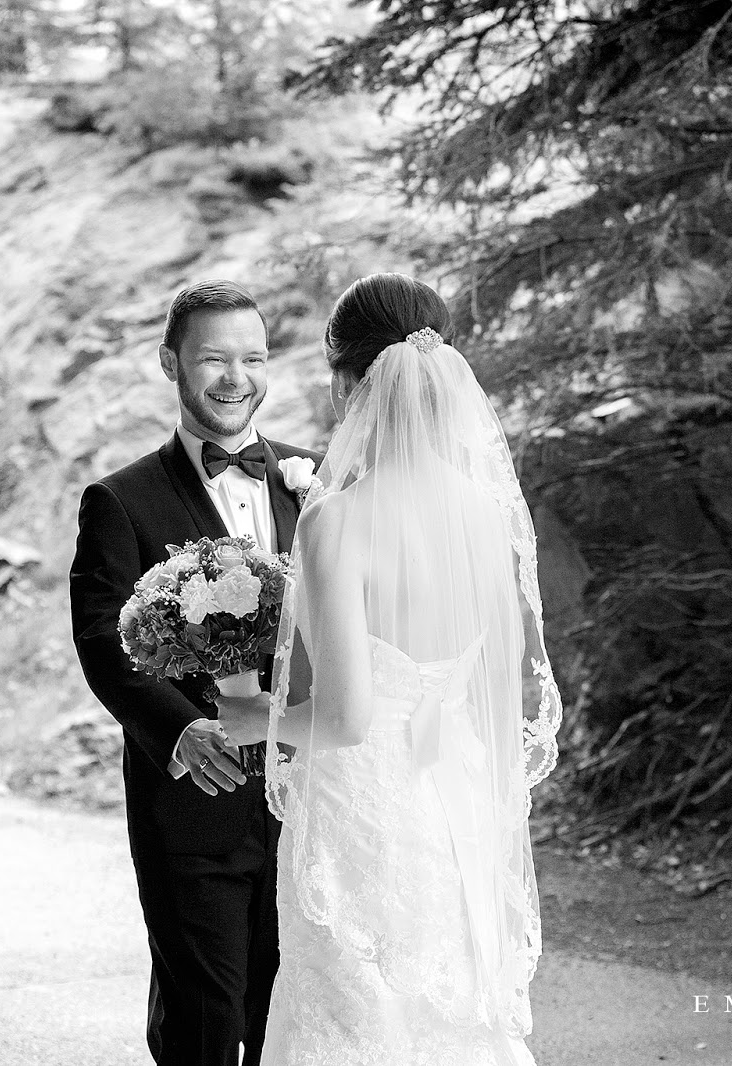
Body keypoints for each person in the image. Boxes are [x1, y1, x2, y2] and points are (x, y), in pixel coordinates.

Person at [218, 272, 563, 1065]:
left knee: (355, 1011)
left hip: (361, 810)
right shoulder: (484, 513)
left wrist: (249, 717)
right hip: (452, 795)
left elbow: (345, 720)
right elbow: (485, 685)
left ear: (347, 384)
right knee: (448, 1013)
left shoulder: (338, 520)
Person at [69, 279, 321, 1066]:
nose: (235, 378)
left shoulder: (316, 480)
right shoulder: (120, 501)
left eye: (254, 358)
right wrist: (180, 731)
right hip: (190, 805)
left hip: (312, 806)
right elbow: (103, 640)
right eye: (213, 358)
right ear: (169, 364)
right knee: (203, 1024)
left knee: (294, 1018)